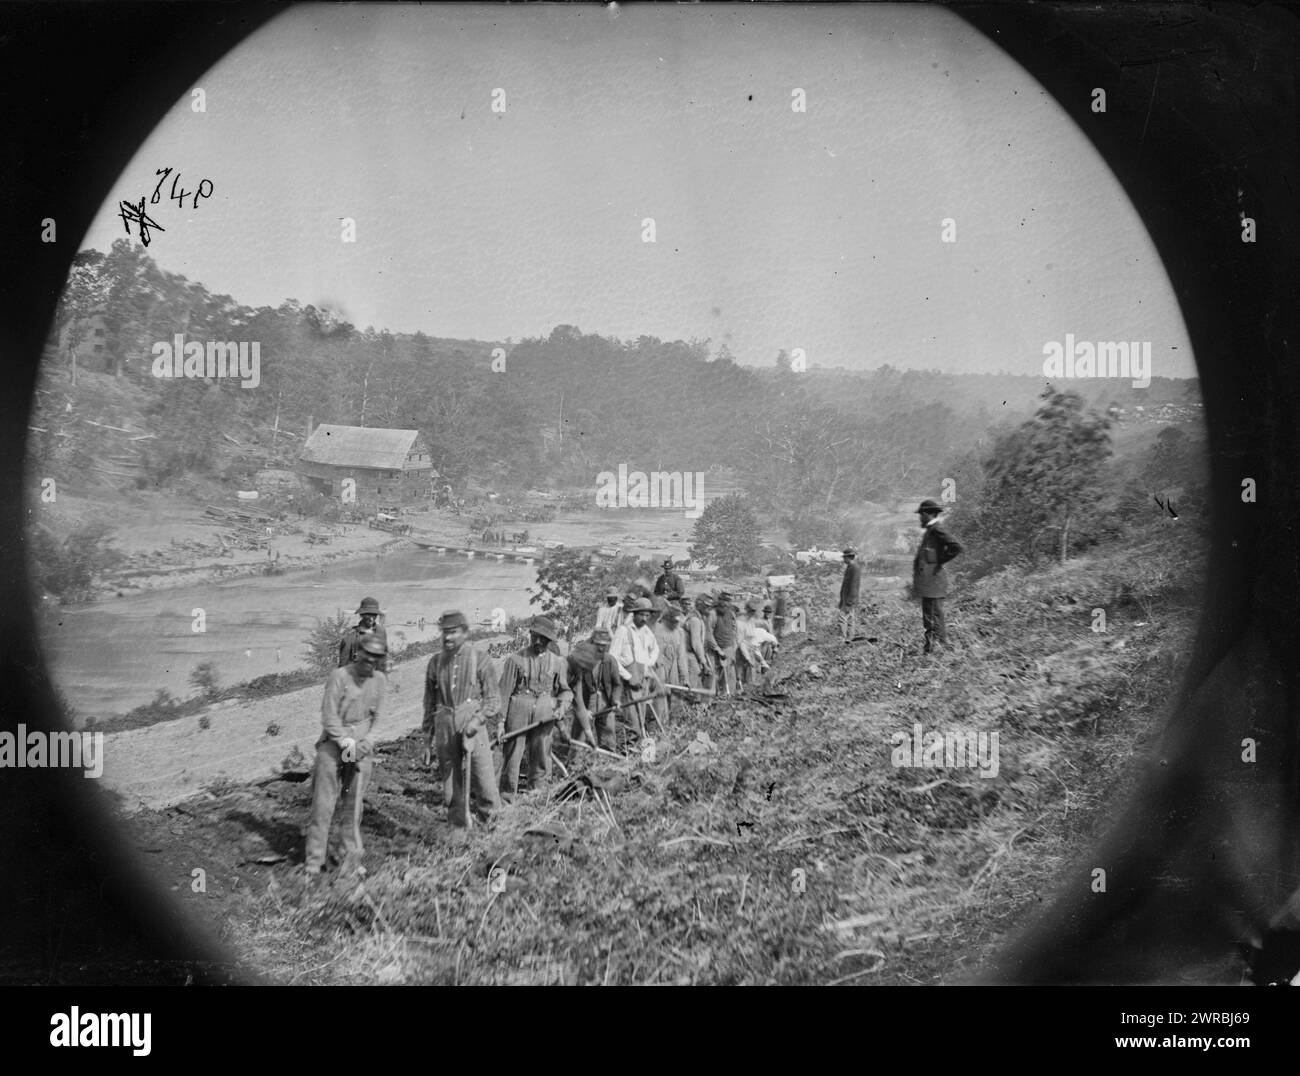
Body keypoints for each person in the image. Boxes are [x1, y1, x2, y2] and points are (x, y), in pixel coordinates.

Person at [304, 635, 387, 880]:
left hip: (361, 744)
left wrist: (368, 742)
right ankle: (314, 862)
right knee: (323, 804)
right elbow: (329, 717)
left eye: (376, 658)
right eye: (367, 655)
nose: (370, 661)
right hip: (335, 742)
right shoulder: (339, 676)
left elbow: (379, 718)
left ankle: (350, 860)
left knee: (353, 805)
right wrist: (347, 743)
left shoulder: (379, 680)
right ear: (357, 653)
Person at [422, 610, 501, 827]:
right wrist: (427, 740)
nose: (448, 638)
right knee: (450, 787)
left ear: (465, 633)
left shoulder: (481, 659)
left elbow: (493, 699)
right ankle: (457, 830)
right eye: (445, 633)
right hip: (444, 723)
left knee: (484, 782)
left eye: (454, 632)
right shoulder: (435, 663)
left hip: (473, 723)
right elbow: (429, 704)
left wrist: (476, 721)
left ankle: (493, 827)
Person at [498, 616, 573, 800]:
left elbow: (565, 691)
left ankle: (537, 797)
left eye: (543, 638)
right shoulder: (515, 660)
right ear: (530, 635)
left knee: (541, 756)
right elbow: (504, 694)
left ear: (550, 640)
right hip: (518, 714)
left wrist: (561, 708)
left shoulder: (558, 662)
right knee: (513, 758)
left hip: (544, 714)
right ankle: (507, 800)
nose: (538, 641)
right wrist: (500, 722)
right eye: (536, 636)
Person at [912, 499, 964, 653]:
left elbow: (956, 546)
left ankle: (936, 648)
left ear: (929, 514)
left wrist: (940, 561)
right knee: (931, 615)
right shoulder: (931, 530)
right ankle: (934, 647)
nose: (920, 518)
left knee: (933, 615)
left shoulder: (936, 529)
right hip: (930, 583)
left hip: (934, 582)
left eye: (922, 515)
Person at [609, 596, 662, 735]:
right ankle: (626, 751)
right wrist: (628, 677)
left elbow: (655, 648)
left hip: (642, 679)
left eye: (647, 615)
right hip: (628, 681)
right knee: (630, 719)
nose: (644, 619)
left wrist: (648, 664)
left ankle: (638, 748)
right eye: (642, 615)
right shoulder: (623, 631)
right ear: (634, 614)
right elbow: (612, 658)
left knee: (641, 715)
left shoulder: (646, 631)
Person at [566, 627, 623, 752]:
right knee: (579, 740)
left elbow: (617, 684)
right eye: (598, 645)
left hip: (605, 701)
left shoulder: (610, 660)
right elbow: (573, 690)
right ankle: (575, 765)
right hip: (585, 700)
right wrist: (583, 710)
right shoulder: (580, 661)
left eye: (604, 645)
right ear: (592, 643)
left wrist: (616, 700)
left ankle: (606, 765)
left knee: (608, 739)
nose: (601, 648)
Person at [652, 603, 687, 724]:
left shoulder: (680, 632)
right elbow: (655, 653)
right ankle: (661, 723)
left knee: (677, 693)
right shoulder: (658, 629)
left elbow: (681, 655)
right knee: (661, 694)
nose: (675, 624)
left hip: (673, 666)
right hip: (659, 665)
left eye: (677, 622)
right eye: (673, 622)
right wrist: (660, 672)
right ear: (668, 619)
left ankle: (676, 723)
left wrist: (684, 676)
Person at [736, 600, 779, 688]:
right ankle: (740, 686)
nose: (752, 613)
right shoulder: (742, 622)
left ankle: (749, 685)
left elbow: (770, 636)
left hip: (755, 646)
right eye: (751, 611)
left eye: (753, 611)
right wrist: (747, 656)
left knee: (752, 668)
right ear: (746, 610)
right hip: (743, 647)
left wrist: (775, 646)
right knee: (742, 668)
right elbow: (741, 641)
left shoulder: (754, 621)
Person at [339, 596, 388, 670]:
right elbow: (343, 665)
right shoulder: (350, 635)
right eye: (368, 614)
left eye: (374, 615)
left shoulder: (381, 631)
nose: (371, 618)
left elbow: (383, 659)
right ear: (362, 615)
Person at [707, 589, 738, 696]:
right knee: (715, 674)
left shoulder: (731, 614)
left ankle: (728, 695)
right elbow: (709, 634)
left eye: (728, 601)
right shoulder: (712, 614)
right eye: (723, 600)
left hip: (728, 648)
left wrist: (733, 648)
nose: (725, 603)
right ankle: (714, 696)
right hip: (714, 649)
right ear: (719, 601)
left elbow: (734, 630)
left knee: (729, 673)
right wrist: (718, 650)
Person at [682, 594, 714, 692]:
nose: (708, 609)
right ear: (699, 605)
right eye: (706, 607)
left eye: (710, 607)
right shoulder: (694, 620)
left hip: (692, 654)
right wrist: (704, 663)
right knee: (693, 680)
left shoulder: (698, 618)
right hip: (689, 655)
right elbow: (696, 643)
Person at [837, 549, 861, 644]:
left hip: (849, 599)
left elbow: (854, 586)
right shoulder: (850, 567)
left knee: (842, 618)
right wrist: (842, 600)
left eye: (844, 557)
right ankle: (849, 638)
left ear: (848, 557)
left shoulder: (854, 568)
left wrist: (849, 602)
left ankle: (841, 638)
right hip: (847, 599)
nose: (843, 559)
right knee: (850, 619)